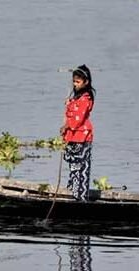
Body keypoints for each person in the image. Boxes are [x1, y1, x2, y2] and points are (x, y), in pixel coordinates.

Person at [59, 65, 95, 201]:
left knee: (80, 168)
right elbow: (72, 112)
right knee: (73, 166)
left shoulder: (86, 99)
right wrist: (69, 103)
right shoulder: (77, 98)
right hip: (72, 137)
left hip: (82, 137)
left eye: (78, 82)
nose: (75, 84)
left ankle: (80, 197)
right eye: (74, 81)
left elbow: (77, 120)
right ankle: (73, 193)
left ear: (86, 82)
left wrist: (65, 126)